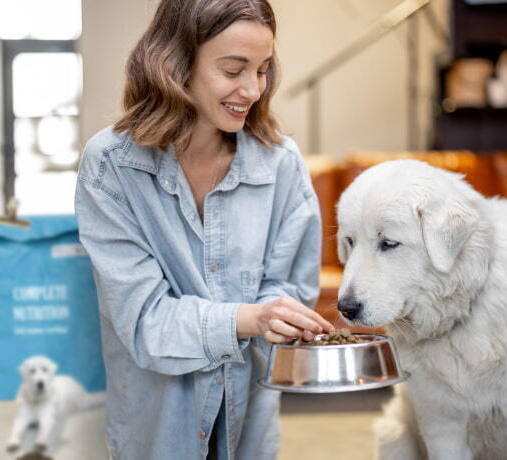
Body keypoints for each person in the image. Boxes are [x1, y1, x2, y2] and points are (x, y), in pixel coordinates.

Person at [74, 1, 334, 459]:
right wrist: (249, 319)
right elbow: (144, 322)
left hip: (248, 423)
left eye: (263, 69)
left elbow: (289, 288)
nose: (253, 89)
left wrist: (276, 315)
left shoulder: (281, 164)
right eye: (233, 70)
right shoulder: (112, 167)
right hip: (154, 430)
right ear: (175, 65)